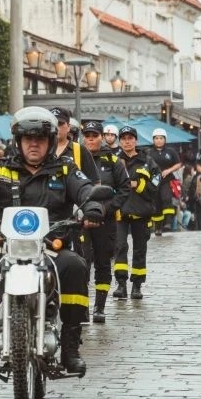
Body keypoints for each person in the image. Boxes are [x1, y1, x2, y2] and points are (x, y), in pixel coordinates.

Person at [0, 106, 104, 376]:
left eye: (40, 139)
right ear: (19, 142)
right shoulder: (1, 169)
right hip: (6, 248)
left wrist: (92, 206)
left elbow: (84, 188)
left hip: (52, 249)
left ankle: (71, 349)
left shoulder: (64, 169)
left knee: (77, 267)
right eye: (28, 139)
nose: (34, 144)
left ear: (50, 142)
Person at [80, 121, 130, 323]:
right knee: (81, 264)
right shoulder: (75, 159)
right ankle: (81, 307)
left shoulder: (112, 160)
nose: (91, 139)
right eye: (88, 135)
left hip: (104, 221)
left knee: (102, 263)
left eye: (95, 135)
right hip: (80, 221)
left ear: (103, 137)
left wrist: (107, 209)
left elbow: (125, 188)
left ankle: (99, 307)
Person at [112, 126, 160, 300]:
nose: (127, 141)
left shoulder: (148, 161)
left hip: (142, 211)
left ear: (136, 141)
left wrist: (137, 185)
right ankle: (121, 284)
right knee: (120, 247)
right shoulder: (114, 160)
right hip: (120, 212)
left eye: (130, 138)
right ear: (119, 141)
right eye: (123, 138)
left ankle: (137, 285)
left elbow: (155, 185)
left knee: (140, 249)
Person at [49, 107, 100, 184]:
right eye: (53, 123)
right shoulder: (42, 150)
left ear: (68, 127)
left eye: (60, 123)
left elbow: (95, 183)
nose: (56, 127)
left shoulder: (80, 150)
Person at [148, 128, 182, 236]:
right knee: (156, 202)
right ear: (153, 140)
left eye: (161, 138)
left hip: (167, 179)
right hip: (154, 180)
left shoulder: (170, 151)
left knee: (166, 198)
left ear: (165, 139)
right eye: (156, 138)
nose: (159, 140)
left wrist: (169, 170)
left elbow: (178, 164)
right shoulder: (148, 152)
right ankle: (158, 227)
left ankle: (168, 223)